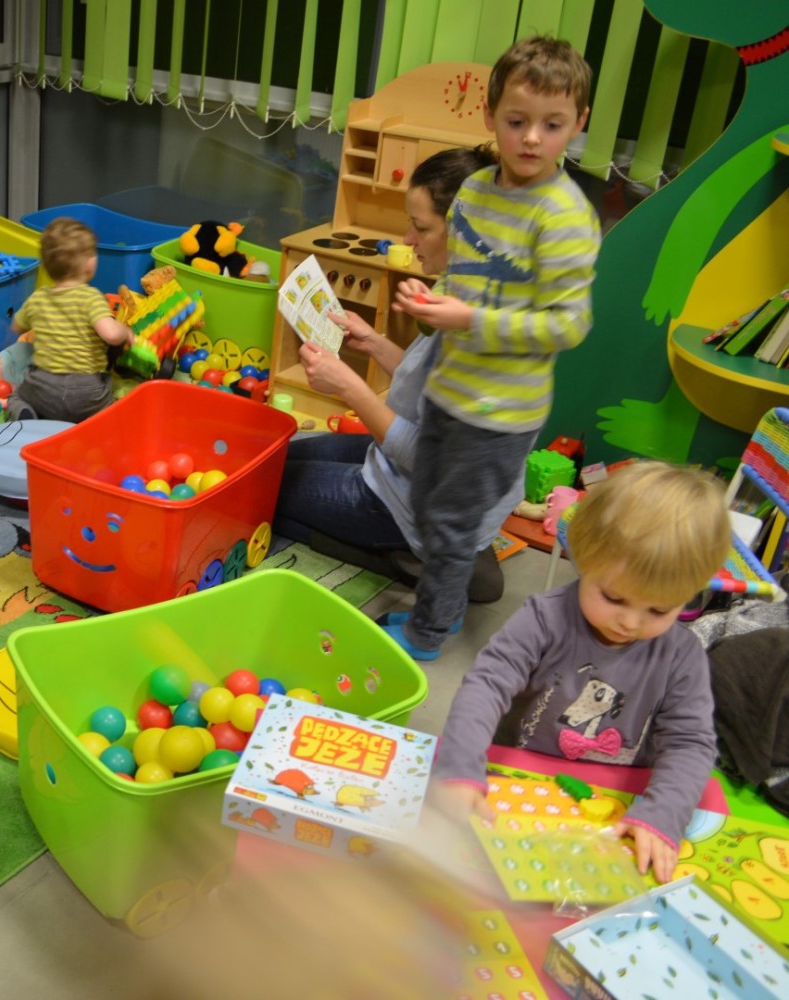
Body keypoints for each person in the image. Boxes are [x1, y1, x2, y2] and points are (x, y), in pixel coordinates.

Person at [391, 36, 601, 660]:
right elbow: (465, 279)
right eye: (516, 121)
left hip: (501, 412)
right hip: (448, 390)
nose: (531, 138)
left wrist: (470, 319)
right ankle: (448, 597)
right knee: (426, 505)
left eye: (552, 125)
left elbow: (568, 325)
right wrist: (433, 298)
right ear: (489, 117)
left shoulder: (563, 217)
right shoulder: (477, 191)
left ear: (578, 124)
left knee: (452, 523)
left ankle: (429, 632)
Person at [429, 462, 731, 883]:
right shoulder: (544, 618)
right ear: (584, 558)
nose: (630, 622)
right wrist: (461, 767)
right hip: (518, 774)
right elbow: (487, 685)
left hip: (611, 798)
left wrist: (662, 814)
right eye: (614, 597)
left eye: (660, 609)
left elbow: (690, 742)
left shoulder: (683, 654)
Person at [273, 145, 513, 603]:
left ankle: (405, 557)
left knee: (262, 494)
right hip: (407, 471)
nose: (407, 239)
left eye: (420, 228)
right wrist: (375, 343)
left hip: (417, 499)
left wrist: (349, 386)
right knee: (276, 457)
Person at [4, 217, 134, 423]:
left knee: (16, 396)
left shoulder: (37, 298)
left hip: (42, 388)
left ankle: (25, 413)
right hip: (86, 391)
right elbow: (110, 334)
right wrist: (125, 332)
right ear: (89, 263)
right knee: (109, 408)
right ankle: (102, 421)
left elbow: (16, 326)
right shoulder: (91, 297)